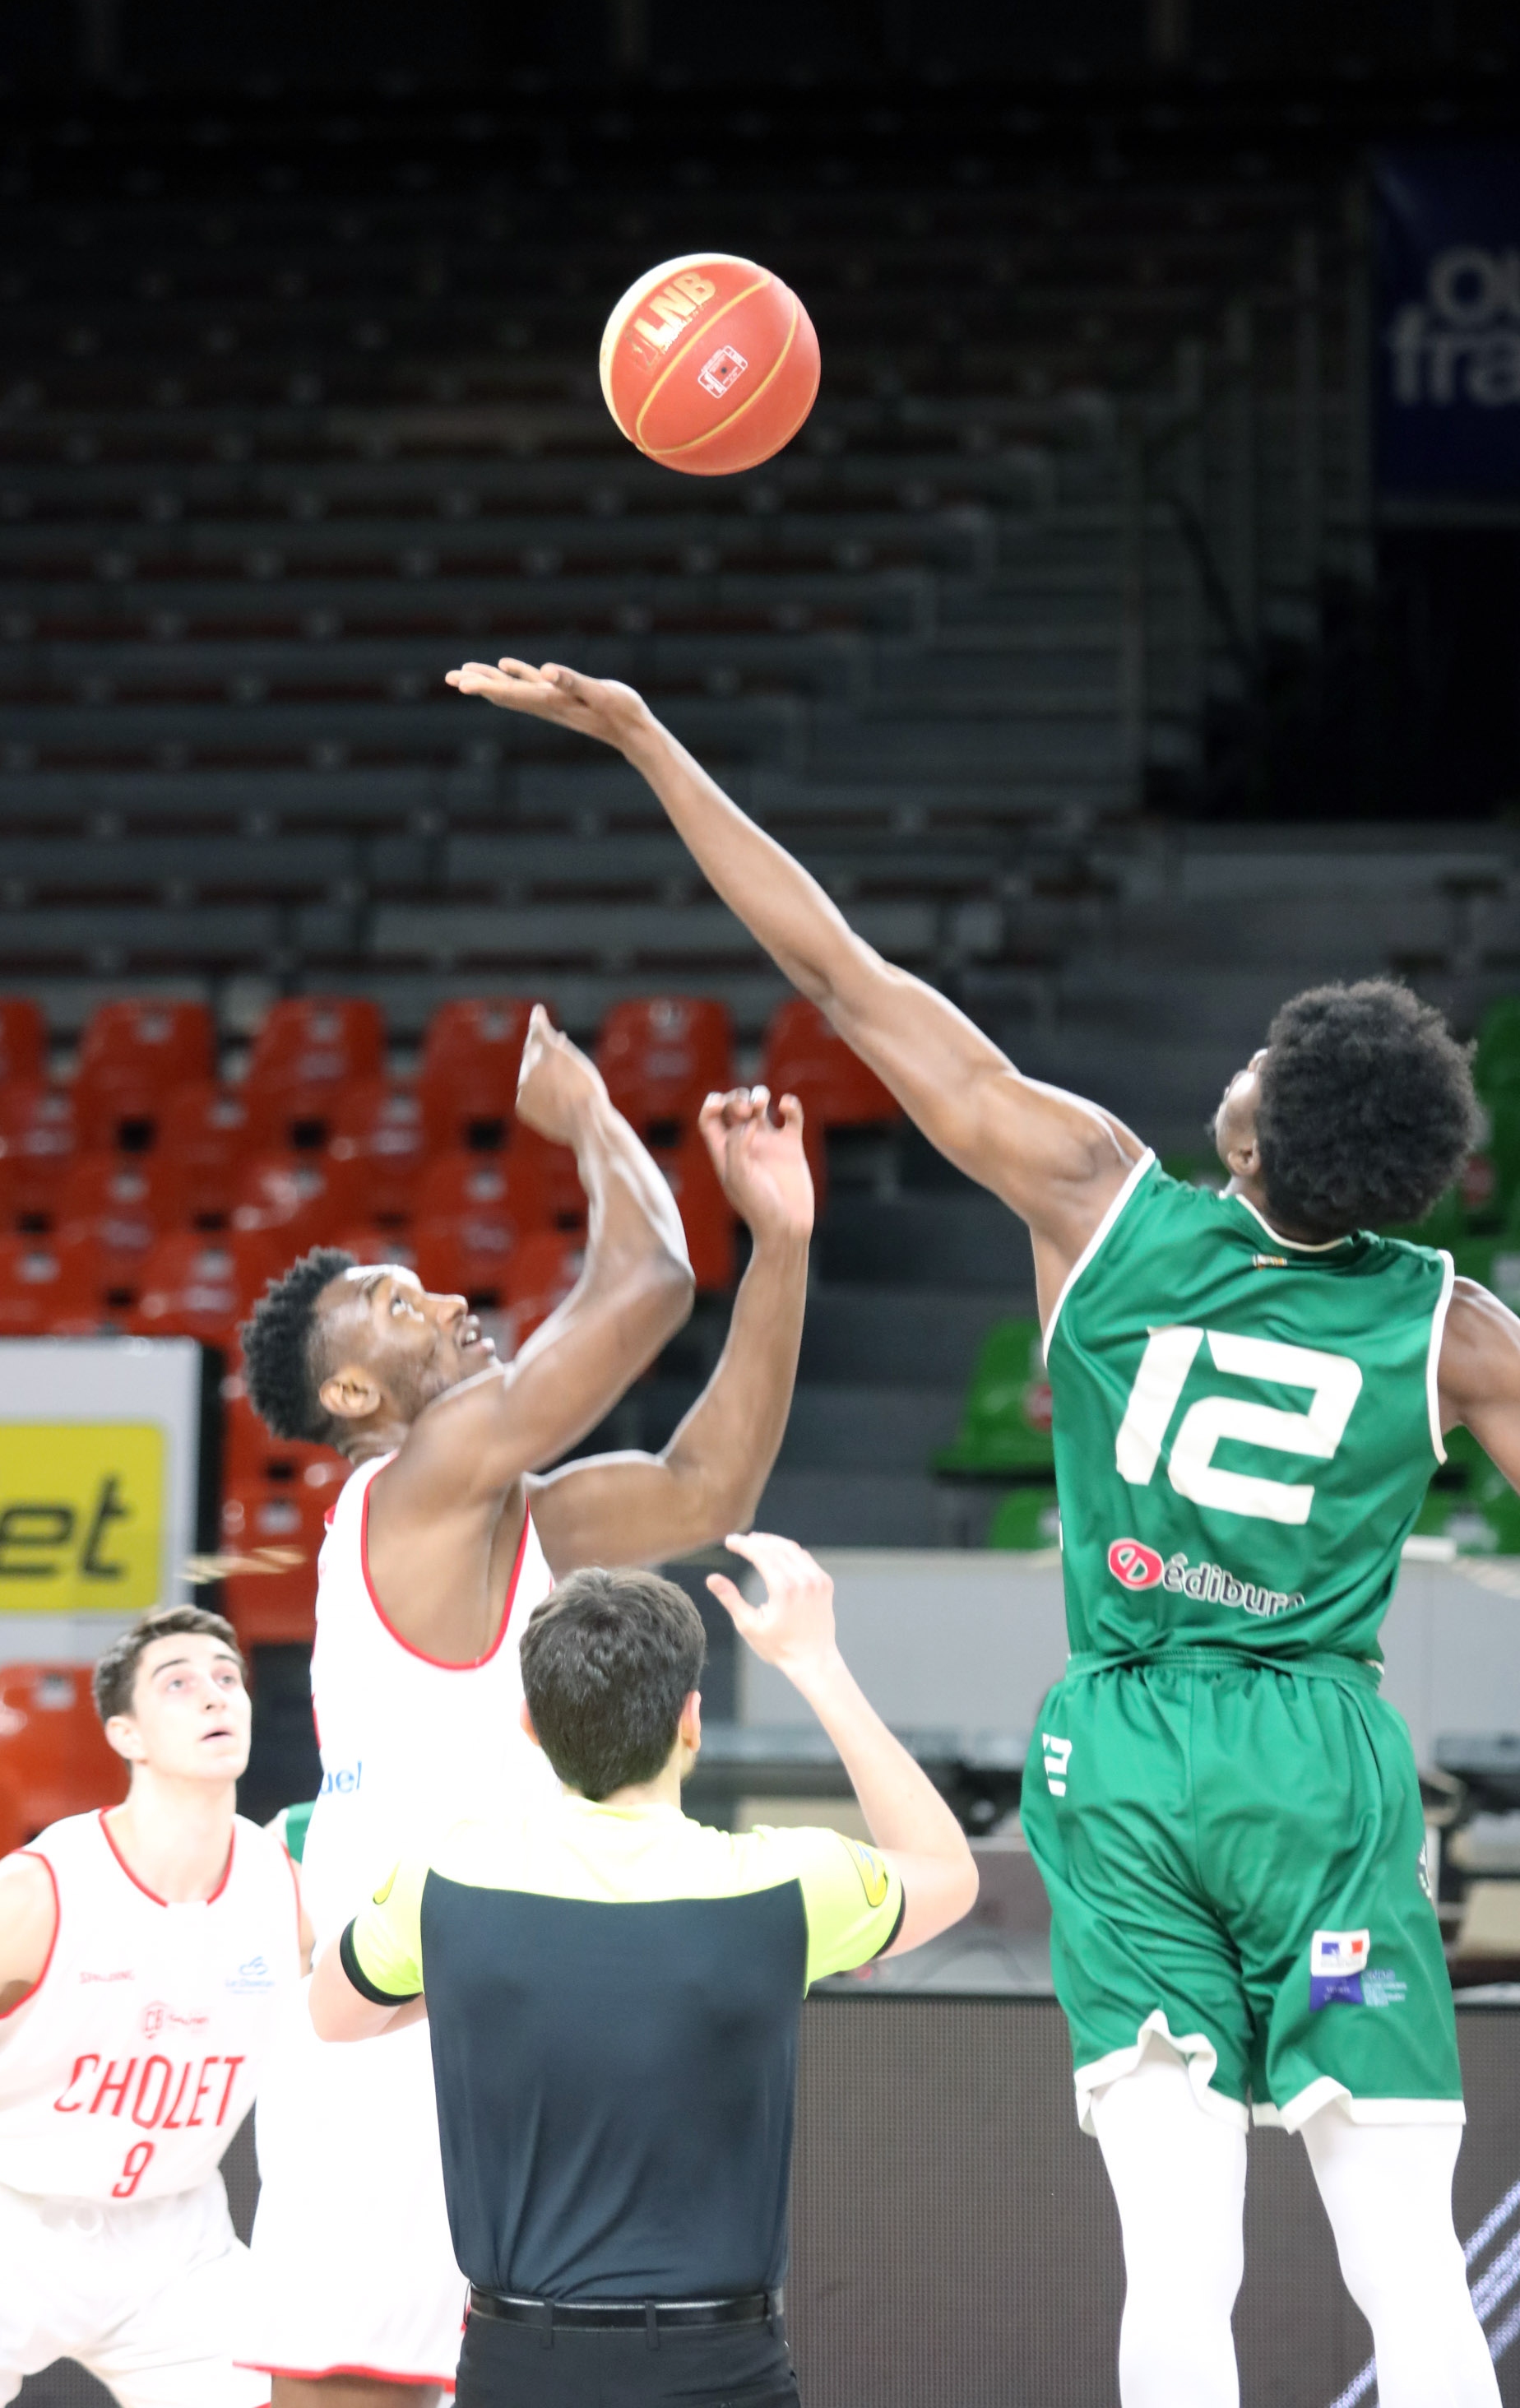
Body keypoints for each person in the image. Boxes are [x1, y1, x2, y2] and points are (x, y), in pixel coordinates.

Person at [446, 654, 1518, 2408]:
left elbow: (834, 973)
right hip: (1325, 1768)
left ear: (1268, 1128)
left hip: (1132, 1754)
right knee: (1398, 2251)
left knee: (1179, 2253)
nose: (1237, 1060)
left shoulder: (1097, 1195)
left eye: (1259, 1056)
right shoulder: (1447, 1328)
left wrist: (646, 739)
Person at [235, 1007, 814, 2406]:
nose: (436, 1295)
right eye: (390, 1300)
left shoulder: (514, 1513)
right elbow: (648, 1284)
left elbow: (706, 1491)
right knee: (354, 2391)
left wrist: (784, 1247)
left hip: (508, 2001)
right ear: (358, 1391)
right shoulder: (411, 1486)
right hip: (387, 2024)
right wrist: (589, 1116)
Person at [308, 1530, 975, 2408]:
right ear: (689, 1719)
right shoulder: (784, 1883)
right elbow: (948, 1873)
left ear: (529, 1726)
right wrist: (815, 1665)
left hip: (515, 2368)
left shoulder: (445, 1881)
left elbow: (335, 2014)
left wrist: (473, 1978)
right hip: (722, 2369)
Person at [0, 1608, 304, 2408]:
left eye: (227, 1679)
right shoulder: (37, 1892)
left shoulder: (288, 1888)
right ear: (126, 1736)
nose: (216, 1697)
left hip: (176, 2240)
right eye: (178, 1684)